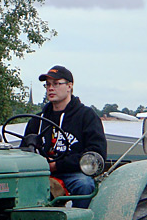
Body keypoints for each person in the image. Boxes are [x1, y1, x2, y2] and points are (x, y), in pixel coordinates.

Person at [23, 65, 107, 208]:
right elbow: (24, 149)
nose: (50, 88)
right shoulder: (37, 120)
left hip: (73, 173)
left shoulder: (86, 116)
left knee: (85, 186)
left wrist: (57, 165)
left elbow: (96, 152)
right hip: (41, 172)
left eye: (56, 84)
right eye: (48, 85)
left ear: (69, 86)